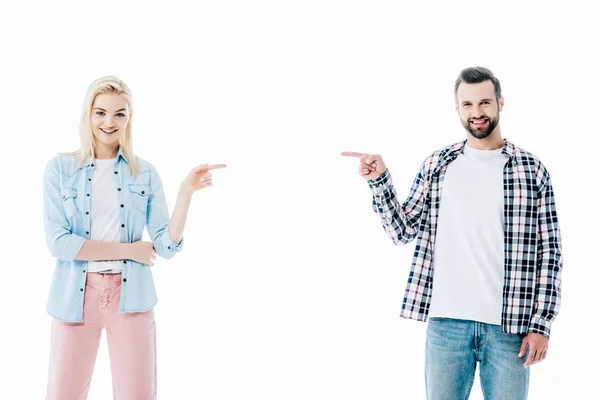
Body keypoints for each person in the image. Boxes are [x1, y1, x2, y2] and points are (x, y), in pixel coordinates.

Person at [342, 66, 562, 400]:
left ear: (500, 103)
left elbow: (551, 253)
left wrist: (541, 324)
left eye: (485, 102)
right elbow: (402, 232)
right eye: (468, 105)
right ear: (458, 109)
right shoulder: (437, 165)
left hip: (510, 331)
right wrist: (379, 181)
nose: (477, 112)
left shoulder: (530, 169)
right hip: (447, 327)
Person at [43, 76, 226, 399]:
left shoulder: (145, 173)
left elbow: (165, 247)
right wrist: (130, 250)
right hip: (75, 297)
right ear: (88, 114)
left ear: (130, 118)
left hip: (131, 299)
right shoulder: (59, 169)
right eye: (100, 112)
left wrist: (185, 193)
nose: (109, 122)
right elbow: (59, 243)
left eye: (119, 113)